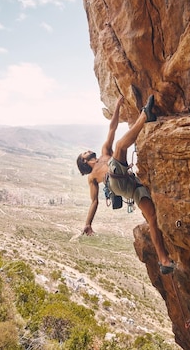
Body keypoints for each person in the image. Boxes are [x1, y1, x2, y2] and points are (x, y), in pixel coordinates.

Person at [76, 95, 174, 275]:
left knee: (152, 217)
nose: (88, 150)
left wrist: (118, 107)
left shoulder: (105, 152)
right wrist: (87, 223)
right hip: (115, 182)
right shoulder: (91, 177)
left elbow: (112, 128)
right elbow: (94, 202)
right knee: (121, 146)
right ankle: (145, 116)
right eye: (85, 153)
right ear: (84, 160)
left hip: (130, 185)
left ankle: (164, 260)